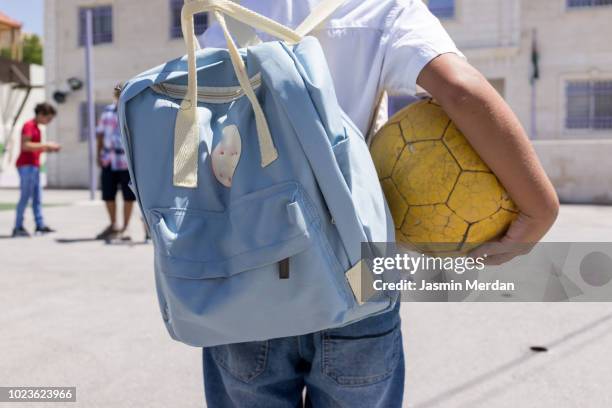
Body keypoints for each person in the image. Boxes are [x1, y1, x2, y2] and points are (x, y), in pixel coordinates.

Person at [199, 1, 559, 406]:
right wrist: (540, 207)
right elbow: (460, 89)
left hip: (251, 270)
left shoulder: (231, 12)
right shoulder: (382, 7)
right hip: (358, 275)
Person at [12, 103, 61, 238]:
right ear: (41, 114)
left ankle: (40, 225)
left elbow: (35, 147)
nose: (49, 122)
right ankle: (17, 227)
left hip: (34, 165)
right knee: (25, 196)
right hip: (26, 166)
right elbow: (25, 145)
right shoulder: (29, 125)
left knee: (37, 197)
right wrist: (46, 145)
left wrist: (48, 149)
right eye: (48, 119)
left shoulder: (38, 129)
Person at [95, 84, 136, 241]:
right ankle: (113, 225)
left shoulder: (132, 111)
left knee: (128, 196)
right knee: (108, 194)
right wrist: (98, 155)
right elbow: (100, 134)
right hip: (109, 159)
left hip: (126, 162)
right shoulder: (107, 111)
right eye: (118, 94)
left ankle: (125, 228)